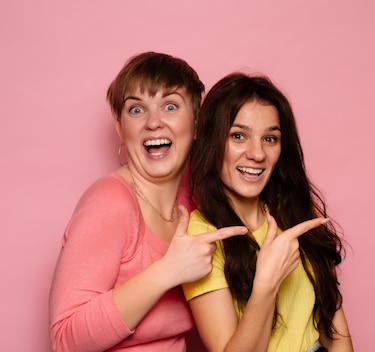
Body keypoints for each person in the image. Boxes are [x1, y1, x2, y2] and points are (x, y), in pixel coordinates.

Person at [48, 52, 248, 352]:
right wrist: (168, 271)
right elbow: (66, 339)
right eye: (137, 109)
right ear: (120, 128)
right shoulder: (110, 203)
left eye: (170, 106)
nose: (153, 122)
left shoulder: (193, 206)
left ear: (196, 125)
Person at [182, 72, 354, 352]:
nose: (257, 154)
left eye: (270, 139)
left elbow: (335, 325)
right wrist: (267, 282)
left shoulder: (293, 210)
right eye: (239, 136)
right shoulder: (202, 236)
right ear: (212, 141)